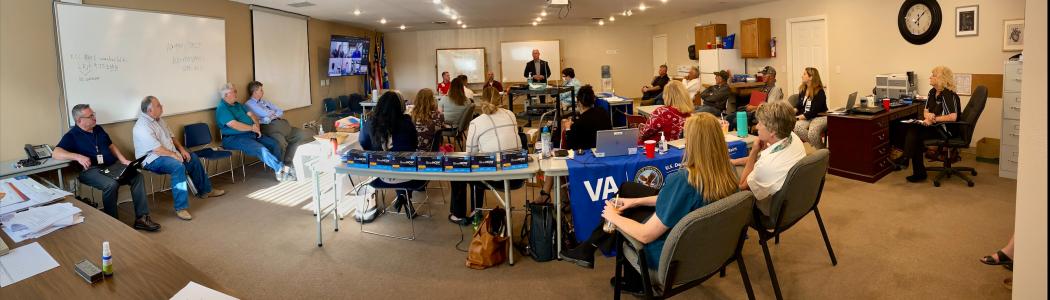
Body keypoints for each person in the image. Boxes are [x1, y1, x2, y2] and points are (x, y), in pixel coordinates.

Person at [560, 114, 737, 284]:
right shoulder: (727, 174)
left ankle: (631, 278)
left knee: (625, 213)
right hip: (707, 248)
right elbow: (676, 200)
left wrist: (614, 217)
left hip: (671, 255)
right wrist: (635, 201)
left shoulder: (685, 180)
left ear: (694, 144)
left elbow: (645, 235)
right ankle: (589, 248)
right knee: (628, 190)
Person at [52, 104, 160, 231]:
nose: (94, 117)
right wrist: (77, 157)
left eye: (94, 114)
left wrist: (123, 160)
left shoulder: (98, 129)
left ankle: (142, 218)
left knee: (137, 176)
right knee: (111, 184)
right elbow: (56, 153)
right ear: (79, 120)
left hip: (112, 166)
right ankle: (113, 223)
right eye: (90, 116)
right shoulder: (72, 135)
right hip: (91, 170)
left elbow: (111, 146)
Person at [134, 96, 225, 221]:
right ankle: (180, 208)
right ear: (150, 111)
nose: (162, 107)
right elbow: (157, 149)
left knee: (192, 157)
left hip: (168, 153)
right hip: (151, 159)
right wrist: (174, 155)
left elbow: (172, 137)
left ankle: (205, 190)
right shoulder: (142, 126)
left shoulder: (159, 120)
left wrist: (182, 150)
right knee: (177, 166)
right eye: (159, 105)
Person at [448, 89, 523, 224]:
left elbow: (470, 154)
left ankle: (458, 214)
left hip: (493, 176)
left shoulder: (476, 122)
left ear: (481, 101)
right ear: (500, 100)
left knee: (459, 170)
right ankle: (476, 209)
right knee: (480, 163)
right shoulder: (511, 114)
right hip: (517, 173)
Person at [537, 85, 612, 203]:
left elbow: (571, 145)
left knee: (555, 162)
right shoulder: (603, 113)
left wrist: (567, 129)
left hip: (584, 161)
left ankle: (555, 198)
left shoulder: (580, 123)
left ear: (579, 103)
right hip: (605, 157)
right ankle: (556, 198)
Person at [359, 92, 425, 218]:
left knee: (392, 163)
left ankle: (401, 195)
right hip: (410, 177)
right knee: (400, 163)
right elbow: (414, 145)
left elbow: (363, 144)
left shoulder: (370, 124)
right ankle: (403, 195)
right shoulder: (407, 123)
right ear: (400, 106)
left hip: (381, 176)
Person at [897, 66, 962, 182]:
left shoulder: (948, 94)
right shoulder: (932, 92)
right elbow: (925, 111)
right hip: (936, 127)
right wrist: (928, 116)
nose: (930, 77)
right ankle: (910, 164)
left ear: (941, 78)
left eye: (933, 75)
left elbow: (953, 117)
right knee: (913, 130)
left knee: (914, 133)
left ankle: (908, 162)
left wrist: (934, 119)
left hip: (947, 131)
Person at [214, 83, 290, 181]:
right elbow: (234, 125)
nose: (237, 93)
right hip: (233, 138)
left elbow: (252, 116)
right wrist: (252, 128)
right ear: (226, 95)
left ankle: (278, 170)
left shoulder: (238, 105)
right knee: (261, 149)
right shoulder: (222, 108)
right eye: (234, 92)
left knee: (274, 144)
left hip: (251, 133)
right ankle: (281, 170)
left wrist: (257, 127)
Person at [736, 101, 807, 203]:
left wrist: (754, 151)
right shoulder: (793, 137)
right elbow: (763, 158)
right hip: (796, 196)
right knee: (736, 165)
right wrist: (735, 161)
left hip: (771, 208)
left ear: (772, 131)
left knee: (732, 174)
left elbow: (742, 186)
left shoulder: (765, 165)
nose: (756, 127)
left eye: (760, 123)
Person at [244, 81, 313, 171]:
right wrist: (272, 114)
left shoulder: (264, 102)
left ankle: (288, 162)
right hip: (269, 127)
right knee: (281, 142)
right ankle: (281, 168)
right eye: (261, 90)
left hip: (281, 124)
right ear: (255, 92)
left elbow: (280, 111)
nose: (263, 92)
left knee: (299, 134)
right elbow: (264, 113)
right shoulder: (249, 104)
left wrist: (272, 114)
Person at [792, 67, 829, 149]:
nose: (802, 76)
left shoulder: (820, 91)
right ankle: (821, 147)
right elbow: (799, 105)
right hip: (806, 117)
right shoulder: (803, 89)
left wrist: (799, 117)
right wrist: (793, 111)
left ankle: (821, 151)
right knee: (795, 127)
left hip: (819, 116)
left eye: (804, 74)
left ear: (811, 77)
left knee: (812, 133)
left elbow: (814, 111)